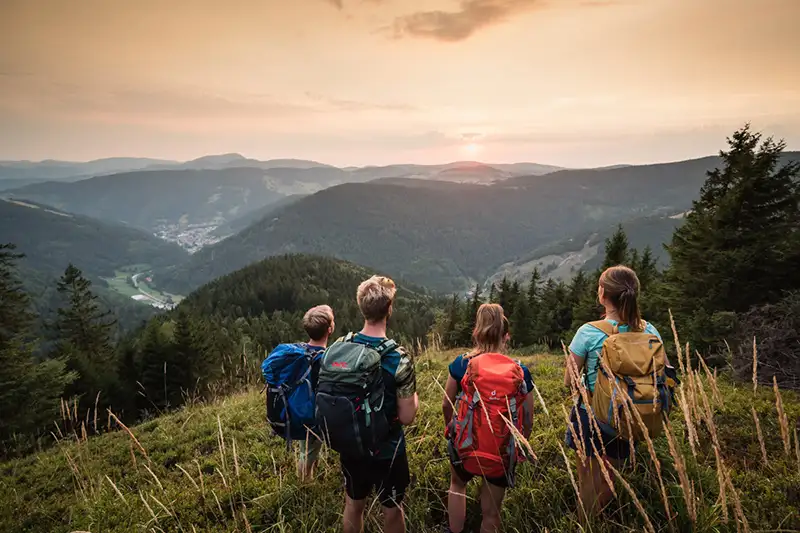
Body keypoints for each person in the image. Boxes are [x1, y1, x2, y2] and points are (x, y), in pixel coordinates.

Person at [563, 265, 665, 517]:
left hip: (591, 415)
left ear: (602, 294)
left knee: (588, 484)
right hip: (630, 415)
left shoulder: (588, 331)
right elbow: (662, 374)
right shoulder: (650, 331)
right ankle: (599, 517)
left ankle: (586, 520)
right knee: (610, 479)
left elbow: (569, 379)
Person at [320, 276, 418, 533]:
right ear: (389, 309)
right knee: (392, 510)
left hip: (350, 443)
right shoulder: (399, 358)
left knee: (353, 505)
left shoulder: (340, 346)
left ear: (361, 308)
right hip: (388, 450)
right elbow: (407, 417)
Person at [442, 303, 534, 533]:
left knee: (457, 485)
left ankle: (455, 531)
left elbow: (446, 403)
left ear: (476, 332)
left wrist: (451, 427)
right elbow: (528, 416)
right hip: (501, 449)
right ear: (506, 336)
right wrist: (518, 446)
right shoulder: (520, 371)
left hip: (464, 443)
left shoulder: (461, 363)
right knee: (492, 513)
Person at [262, 305, 334, 481]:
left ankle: (307, 474)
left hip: (298, 410)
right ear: (330, 329)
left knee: (307, 447)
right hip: (310, 415)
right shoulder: (324, 360)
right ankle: (304, 485)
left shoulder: (300, 352)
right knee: (308, 453)